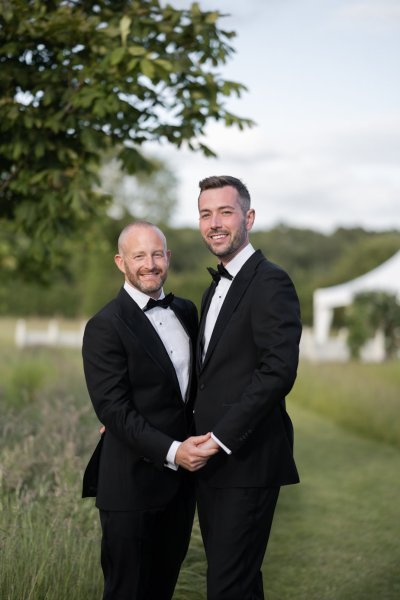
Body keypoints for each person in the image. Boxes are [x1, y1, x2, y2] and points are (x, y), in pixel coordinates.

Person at [81, 221, 218, 600]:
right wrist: (176, 452)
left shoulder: (187, 312)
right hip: (129, 485)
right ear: (120, 262)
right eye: (139, 255)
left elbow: (200, 388)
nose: (150, 264)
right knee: (126, 592)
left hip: (179, 489)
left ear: (168, 257)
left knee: (161, 590)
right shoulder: (104, 326)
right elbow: (114, 410)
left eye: (157, 254)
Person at [194, 176, 302, 600]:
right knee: (235, 581)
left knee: (227, 583)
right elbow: (207, 377)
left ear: (249, 217)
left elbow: (277, 371)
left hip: (247, 458)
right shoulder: (212, 289)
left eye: (225, 211)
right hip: (211, 463)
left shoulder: (270, 281)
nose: (214, 222)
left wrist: (220, 438)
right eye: (206, 213)